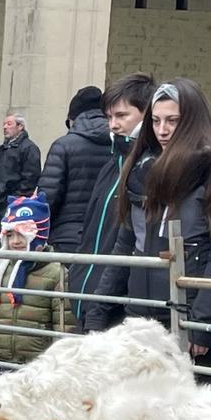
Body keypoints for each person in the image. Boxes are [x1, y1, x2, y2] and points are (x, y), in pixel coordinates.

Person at [109, 79, 211, 372]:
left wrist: (201, 325)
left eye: (173, 121)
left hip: (191, 311)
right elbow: (127, 243)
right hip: (142, 312)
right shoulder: (140, 169)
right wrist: (101, 305)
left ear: (191, 121)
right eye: (157, 120)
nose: (162, 130)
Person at [73, 74, 156, 332]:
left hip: (120, 299)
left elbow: (131, 241)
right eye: (109, 117)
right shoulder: (112, 163)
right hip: (90, 287)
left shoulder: (148, 168)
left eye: (121, 116)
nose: (113, 125)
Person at [0, 194, 68, 367]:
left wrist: (61, 363)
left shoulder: (55, 273)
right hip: (0, 360)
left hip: (36, 364)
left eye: (22, 235)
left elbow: (63, 322)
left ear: (37, 236)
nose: (15, 241)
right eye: (10, 235)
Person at [40, 86, 114, 252]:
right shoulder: (123, 145)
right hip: (108, 235)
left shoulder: (64, 145)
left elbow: (48, 198)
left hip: (68, 234)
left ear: (73, 118)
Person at [0, 111, 41, 207]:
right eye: (4, 124)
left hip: (12, 203)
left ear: (20, 126)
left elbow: (30, 179)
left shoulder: (29, 148)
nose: (5, 127)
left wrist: (14, 199)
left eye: (9, 124)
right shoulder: (2, 148)